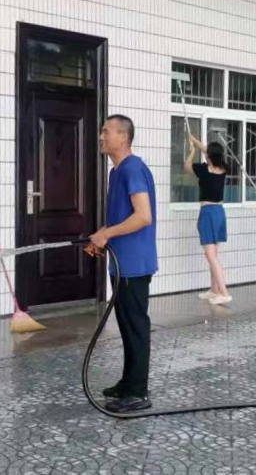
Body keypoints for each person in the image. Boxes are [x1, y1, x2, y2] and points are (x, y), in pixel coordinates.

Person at [85, 114, 157, 413]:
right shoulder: (116, 172)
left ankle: (138, 393)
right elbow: (120, 217)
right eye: (101, 131)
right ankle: (128, 383)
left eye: (106, 131)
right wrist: (100, 237)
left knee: (135, 327)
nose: (101, 136)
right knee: (126, 326)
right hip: (120, 262)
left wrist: (107, 234)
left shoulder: (133, 168)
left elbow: (143, 216)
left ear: (123, 137)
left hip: (135, 264)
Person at [184, 134, 232, 305]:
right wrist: (196, 141)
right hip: (219, 212)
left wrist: (192, 151)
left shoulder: (204, 170)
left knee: (211, 256)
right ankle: (214, 290)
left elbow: (187, 167)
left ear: (209, 156)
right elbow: (209, 152)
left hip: (208, 212)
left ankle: (224, 293)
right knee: (214, 255)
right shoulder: (223, 168)